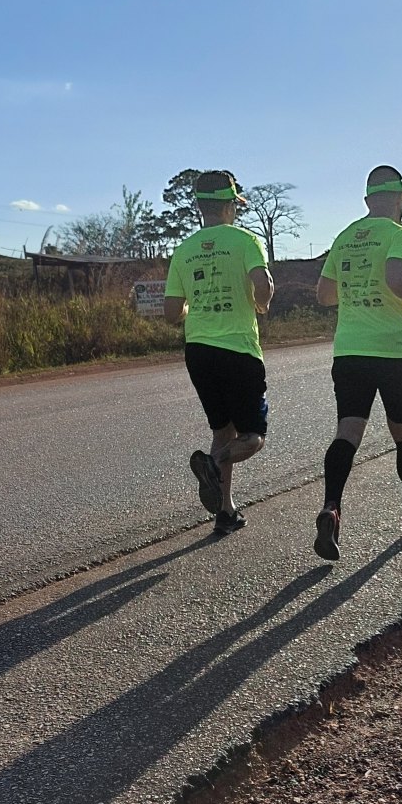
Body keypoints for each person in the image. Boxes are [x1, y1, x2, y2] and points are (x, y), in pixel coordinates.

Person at [312, 165, 402, 561]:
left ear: (368, 200)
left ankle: (331, 507)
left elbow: (324, 295)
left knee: (347, 432)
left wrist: (355, 292)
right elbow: (396, 277)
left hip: (350, 350)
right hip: (395, 351)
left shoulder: (345, 237)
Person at [164, 170, 274, 535]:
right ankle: (211, 465)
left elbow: (171, 312)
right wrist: (261, 304)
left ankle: (225, 512)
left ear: (199, 206)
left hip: (198, 352)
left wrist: (188, 310)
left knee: (222, 428)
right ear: (230, 206)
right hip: (239, 349)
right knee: (253, 436)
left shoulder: (184, 250)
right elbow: (263, 286)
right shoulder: (245, 241)